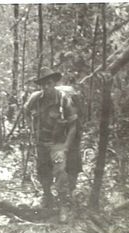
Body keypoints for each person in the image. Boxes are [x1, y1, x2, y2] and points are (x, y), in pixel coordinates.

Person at [24, 68, 82, 223]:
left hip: (57, 144)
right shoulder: (36, 98)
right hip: (41, 143)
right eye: (43, 85)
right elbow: (26, 111)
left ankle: (63, 205)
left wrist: (65, 148)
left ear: (54, 83)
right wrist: (31, 128)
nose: (46, 87)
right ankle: (47, 197)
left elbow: (73, 126)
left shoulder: (63, 100)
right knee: (43, 171)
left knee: (60, 173)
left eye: (49, 84)